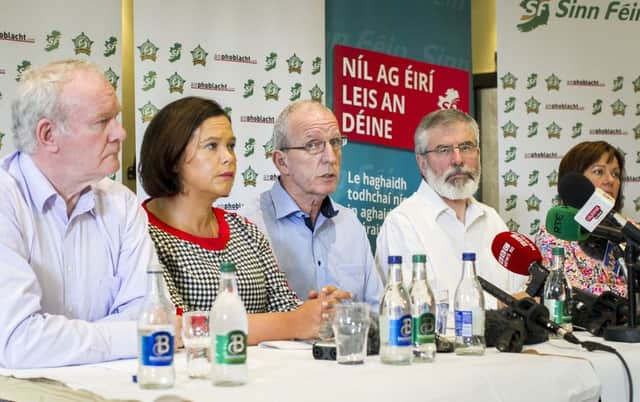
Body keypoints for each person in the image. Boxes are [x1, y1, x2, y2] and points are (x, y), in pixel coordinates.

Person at [138, 96, 350, 345]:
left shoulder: (245, 230)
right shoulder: (143, 234)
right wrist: (294, 322)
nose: (229, 158)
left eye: (231, 145)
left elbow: (287, 306)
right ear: (172, 155)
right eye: (211, 146)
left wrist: (319, 310)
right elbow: (174, 327)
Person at [0, 60, 157, 368]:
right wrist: (128, 337)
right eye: (102, 121)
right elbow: (18, 341)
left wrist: (63, 342)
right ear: (48, 135)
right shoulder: (5, 199)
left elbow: (149, 314)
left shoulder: (122, 204)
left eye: (117, 118)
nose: (121, 133)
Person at [239, 100, 382, 310]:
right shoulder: (249, 225)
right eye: (313, 145)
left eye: (335, 142)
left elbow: (377, 309)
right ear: (282, 162)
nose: (331, 157)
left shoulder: (349, 223)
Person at [376, 109, 525, 309]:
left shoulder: (492, 220)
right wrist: (499, 304)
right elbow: (409, 309)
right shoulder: (402, 223)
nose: (457, 159)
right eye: (443, 150)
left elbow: (519, 291)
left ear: (478, 154)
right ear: (422, 163)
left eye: (466, 147)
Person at [535, 141, 627, 297]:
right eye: (599, 171)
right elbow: (570, 290)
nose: (610, 180)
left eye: (615, 174)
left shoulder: (628, 229)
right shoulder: (555, 232)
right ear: (575, 182)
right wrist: (630, 292)